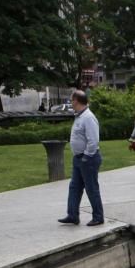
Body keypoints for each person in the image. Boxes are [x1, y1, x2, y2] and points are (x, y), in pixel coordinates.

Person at [58, 90, 104, 227]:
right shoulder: (79, 116)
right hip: (78, 158)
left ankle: (98, 217)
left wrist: (86, 157)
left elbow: (93, 141)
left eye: (72, 100)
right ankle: (72, 215)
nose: (71, 102)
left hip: (88, 159)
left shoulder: (88, 118)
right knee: (74, 187)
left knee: (91, 188)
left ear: (76, 101)